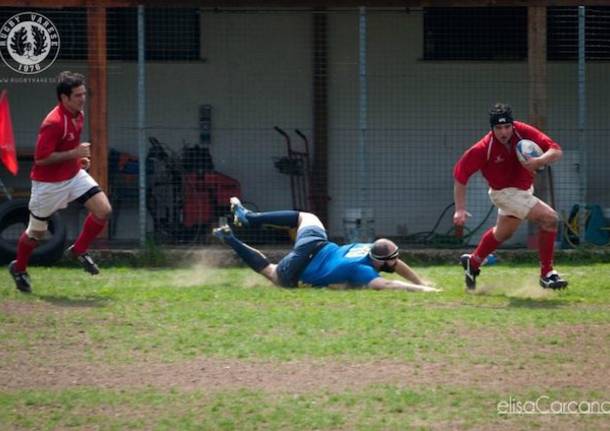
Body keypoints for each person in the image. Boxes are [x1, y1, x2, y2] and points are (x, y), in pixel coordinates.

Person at [8, 71, 112, 293]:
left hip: (73, 176)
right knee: (35, 235)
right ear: (64, 98)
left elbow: (65, 150)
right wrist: (75, 152)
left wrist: (77, 158)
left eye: (84, 94)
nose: (83, 99)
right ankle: (19, 268)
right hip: (48, 185)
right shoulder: (53, 122)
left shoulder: (79, 114)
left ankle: (79, 250)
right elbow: (41, 158)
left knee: (103, 210)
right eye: (77, 95)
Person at [213, 197, 440, 292]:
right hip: (298, 268)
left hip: (314, 243)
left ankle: (250, 218)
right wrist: (424, 289)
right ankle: (230, 238)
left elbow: (395, 264)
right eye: (393, 258)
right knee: (272, 272)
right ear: (380, 261)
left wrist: (419, 280)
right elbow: (390, 285)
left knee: (307, 217)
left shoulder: (366, 248)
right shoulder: (361, 270)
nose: (397, 261)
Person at [453, 103, 568, 290]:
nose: (504, 132)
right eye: (498, 128)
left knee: (503, 233)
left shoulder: (522, 131)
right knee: (550, 219)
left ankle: (473, 262)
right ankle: (547, 274)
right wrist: (459, 209)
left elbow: (556, 150)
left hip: (523, 191)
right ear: (492, 129)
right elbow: (460, 175)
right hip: (504, 194)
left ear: (512, 124)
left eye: (507, 126)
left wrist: (539, 160)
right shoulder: (484, 148)